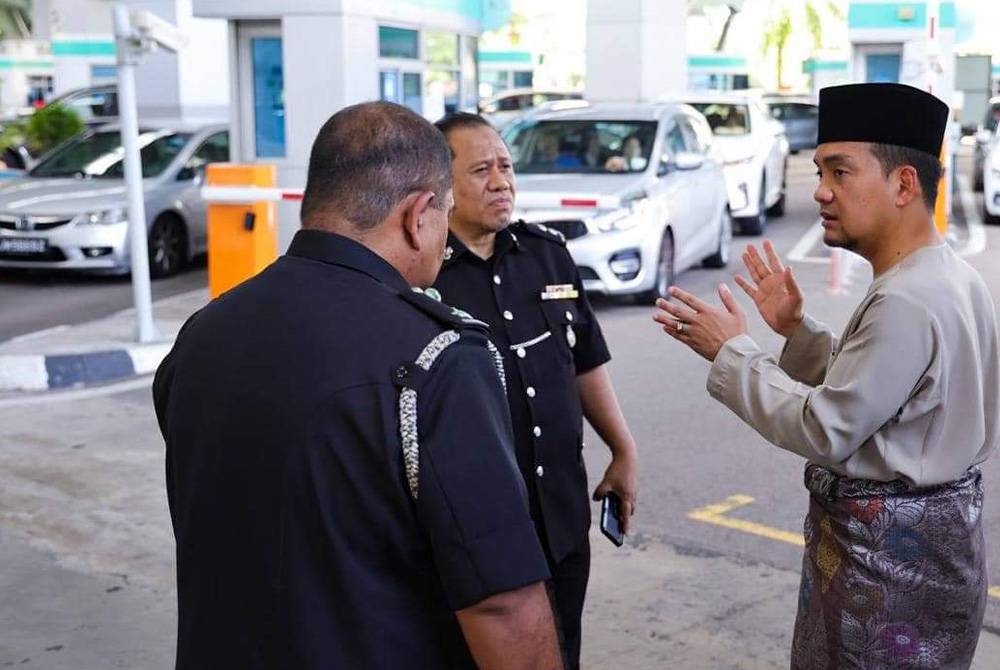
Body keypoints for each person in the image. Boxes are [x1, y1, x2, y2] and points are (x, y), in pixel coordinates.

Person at [153, 101, 562, 670]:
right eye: (443, 214)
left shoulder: (204, 334)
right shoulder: (438, 357)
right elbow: (503, 605)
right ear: (418, 215)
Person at [654, 82, 1000, 668]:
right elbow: (889, 393)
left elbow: (827, 428)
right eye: (819, 171)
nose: (819, 191)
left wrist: (731, 351)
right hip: (938, 552)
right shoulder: (950, 276)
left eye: (840, 172)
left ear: (903, 184)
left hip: (887, 570)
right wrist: (798, 330)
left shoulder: (906, 300)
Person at [432, 111, 639, 669]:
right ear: (440, 185)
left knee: (562, 651)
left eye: (505, 166)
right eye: (481, 170)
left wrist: (623, 450)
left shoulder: (547, 254)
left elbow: (584, 359)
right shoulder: (423, 278)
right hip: (479, 530)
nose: (501, 181)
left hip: (561, 517)